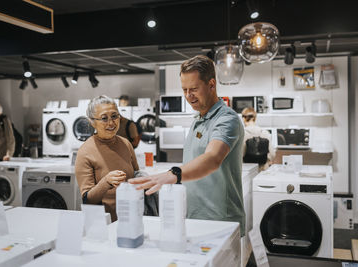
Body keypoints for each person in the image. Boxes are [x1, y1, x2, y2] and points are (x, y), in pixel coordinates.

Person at [129, 55, 246, 235]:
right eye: (184, 90)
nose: (188, 96)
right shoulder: (199, 118)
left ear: (212, 84)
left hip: (221, 221)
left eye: (194, 89)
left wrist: (174, 174)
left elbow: (212, 158)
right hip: (195, 217)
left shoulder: (226, 118)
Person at [75, 95, 139, 221]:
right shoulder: (85, 152)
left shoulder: (126, 143)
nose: (111, 123)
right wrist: (106, 182)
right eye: (104, 118)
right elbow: (87, 199)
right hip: (104, 223)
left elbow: (136, 175)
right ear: (92, 122)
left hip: (131, 218)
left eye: (114, 116)